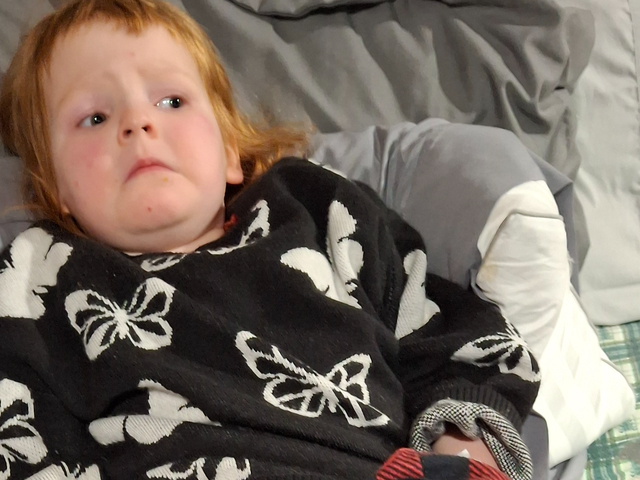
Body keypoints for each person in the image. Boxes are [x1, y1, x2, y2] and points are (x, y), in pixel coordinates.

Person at [0, 1, 540, 479]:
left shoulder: (314, 209)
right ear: (54, 186)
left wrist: (461, 451)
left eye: (172, 102)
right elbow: (20, 437)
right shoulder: (39, 273)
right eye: (94, 117)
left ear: (229, 151)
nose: (138, 122)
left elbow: (451, 338)